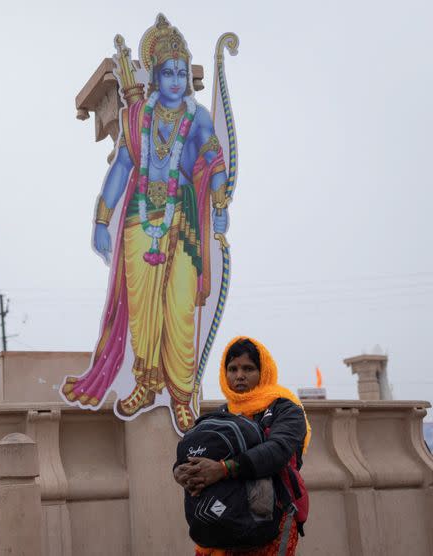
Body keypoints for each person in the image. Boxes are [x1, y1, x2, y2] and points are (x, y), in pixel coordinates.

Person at [61, 15, 229, 431]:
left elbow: (215, 159)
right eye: (166, 72)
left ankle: (182, 396)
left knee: (180, 309)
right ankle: (145, 385)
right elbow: (122, 165)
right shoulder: (137, 117)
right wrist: (102, 218)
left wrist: (222, 194)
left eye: (179, 72)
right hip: (140, 217)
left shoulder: (199, 117)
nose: (174, 80)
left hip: (185, 220)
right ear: (154, 76)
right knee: (143, 309)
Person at [173, 337, 311, 556]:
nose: (239, 376)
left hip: (269, 518)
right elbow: (196, 452)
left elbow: (277, 451)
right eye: (232, 369)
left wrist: (223, 468)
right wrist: (182, 472)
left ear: (263, 371)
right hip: (221, 519)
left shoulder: (285, 409)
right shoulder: (223, 415)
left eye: (248, 368)